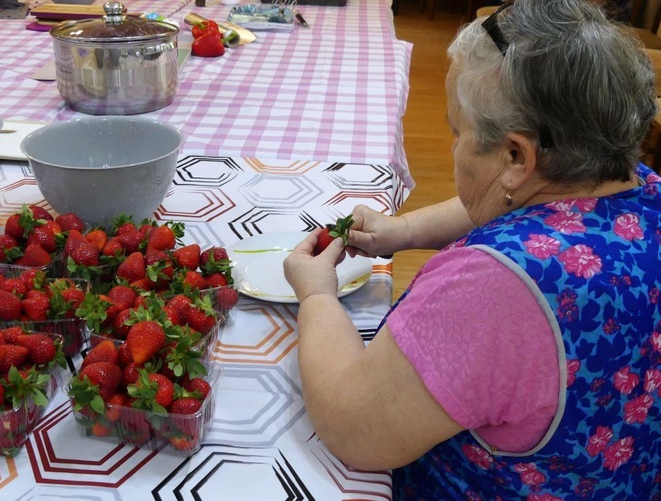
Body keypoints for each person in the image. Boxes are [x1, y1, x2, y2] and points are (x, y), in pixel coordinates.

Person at [283, 0, 661, 498]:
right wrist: (404, 230)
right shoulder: (639, 189)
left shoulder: (496, 289)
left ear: (514, 156)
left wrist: (316, 296)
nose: (454, 143)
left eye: (457, 132)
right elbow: (520, 202)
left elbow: (353, 426)